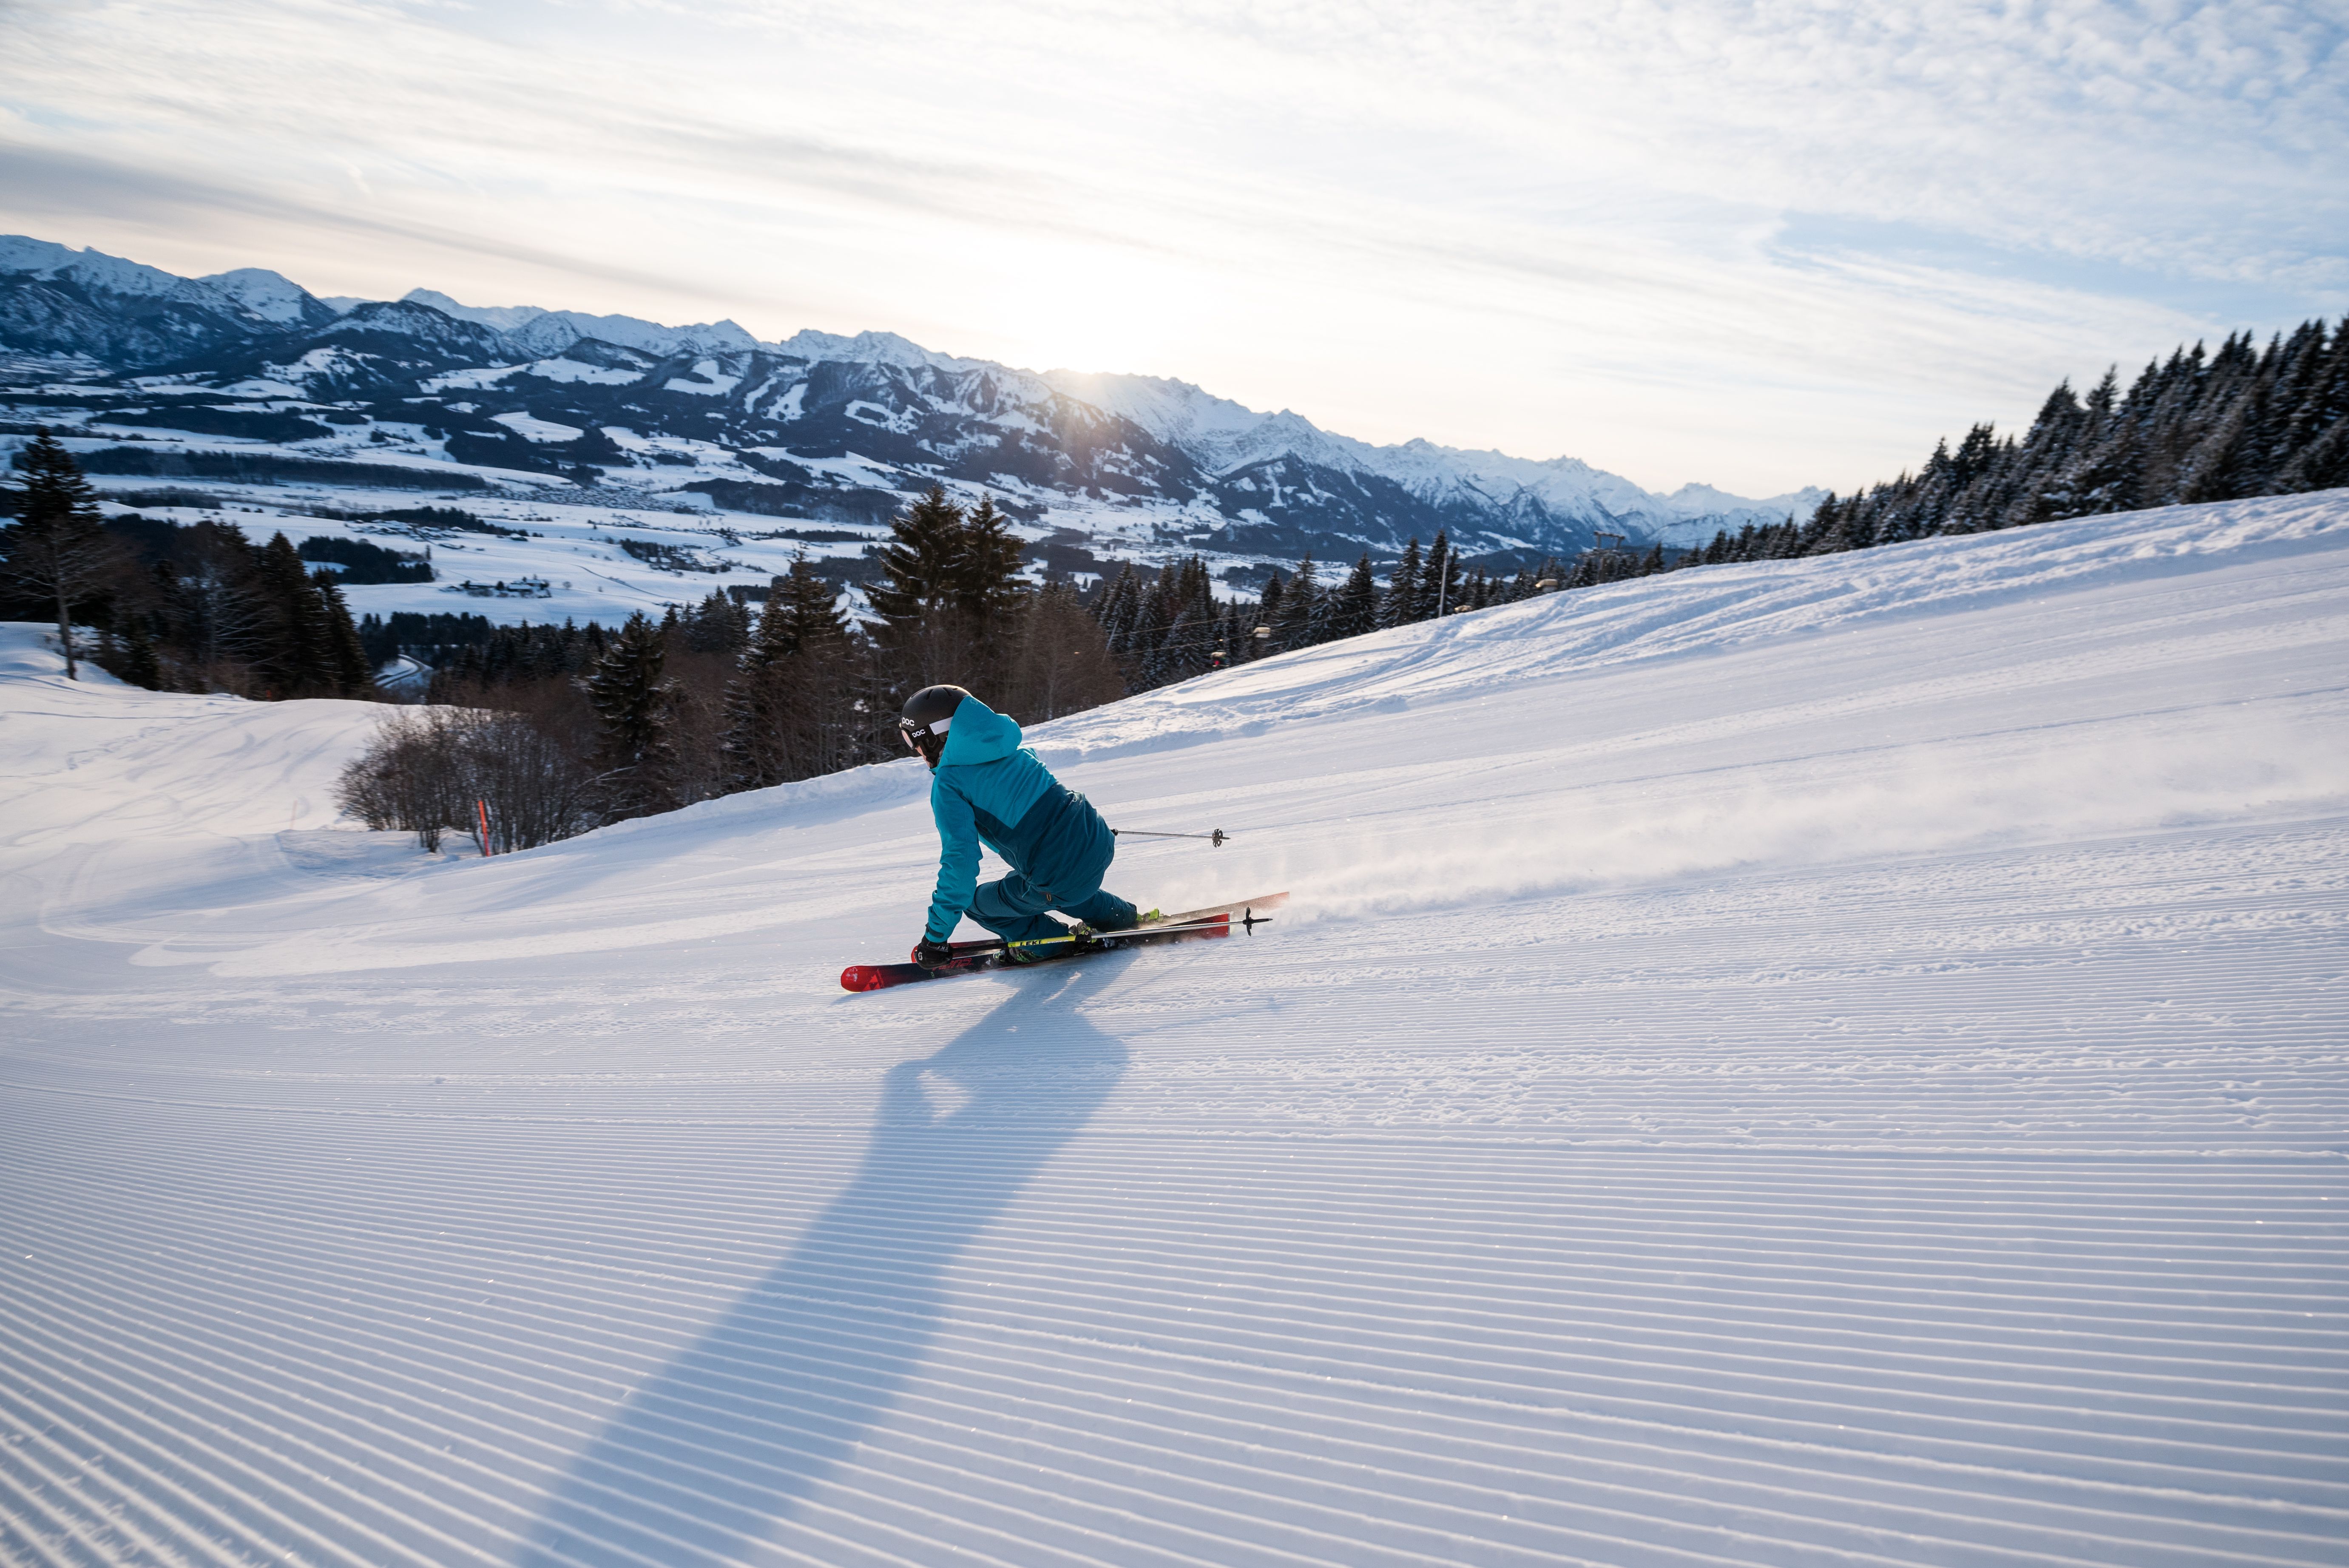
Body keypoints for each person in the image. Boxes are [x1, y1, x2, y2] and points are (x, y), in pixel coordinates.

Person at [900, 684, 1143, 966]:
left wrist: (935, 938)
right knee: (1056, 881)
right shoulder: (1013, 750)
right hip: (1097, 841)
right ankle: (1122, 917)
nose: (915, 751)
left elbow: (960, 866)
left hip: (1060, 874)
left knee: (978, 904)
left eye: (911, 741)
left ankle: (1046, 944)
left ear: (933, 737)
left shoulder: (950, 784)